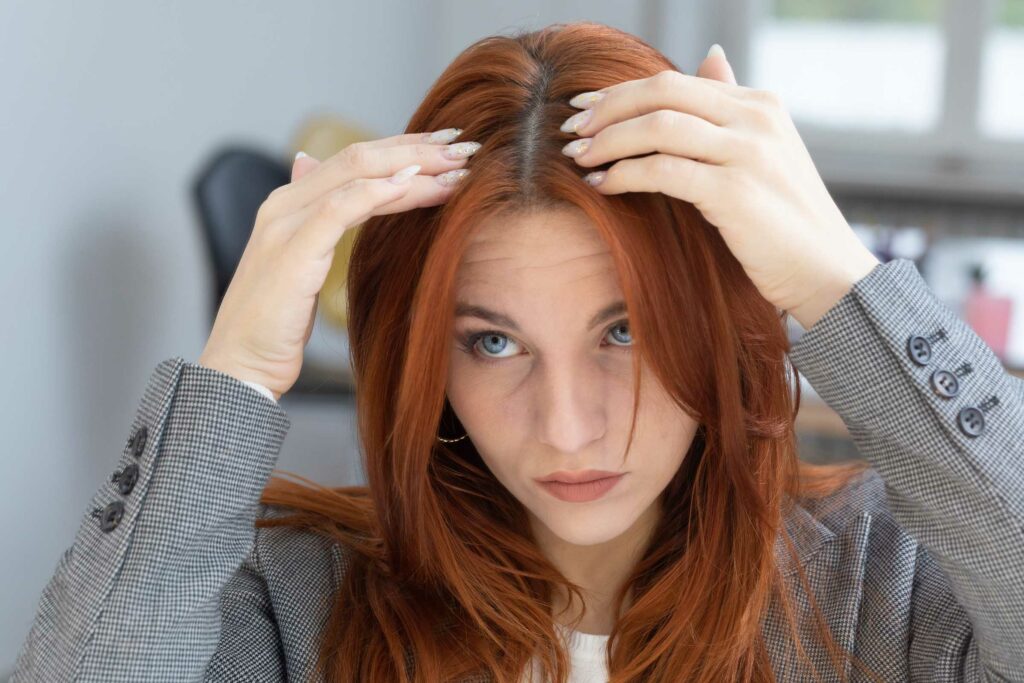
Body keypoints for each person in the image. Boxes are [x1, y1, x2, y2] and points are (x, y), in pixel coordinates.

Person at [11, 21, 1024, 683]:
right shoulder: (294, 601)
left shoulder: (880, 589)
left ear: (721, 323)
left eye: (622, 330)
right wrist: (230, 375)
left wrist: (842, 288)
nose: (568, 424)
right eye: (493, 341)